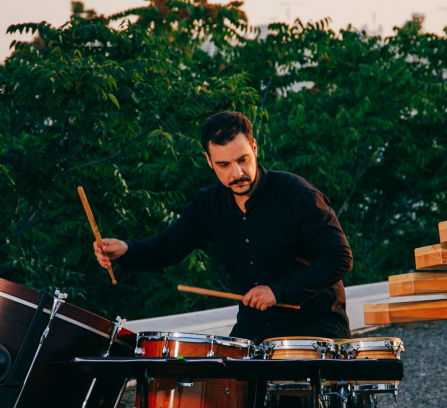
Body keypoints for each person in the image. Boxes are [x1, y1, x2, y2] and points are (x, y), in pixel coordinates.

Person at [94, 111, 352, 343]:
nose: (237, 173)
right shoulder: (208, 204)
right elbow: (168, 247)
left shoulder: (297, 194)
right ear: (209, 161)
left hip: (315, 326)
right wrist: (125, 249)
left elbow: (340, 257)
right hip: (255, 330)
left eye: (243, 160)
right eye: (224, 165)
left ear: (254, 147)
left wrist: (278, 290)